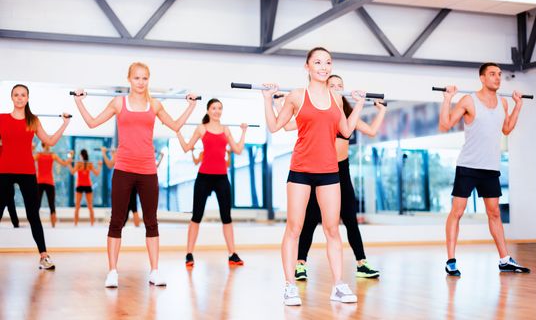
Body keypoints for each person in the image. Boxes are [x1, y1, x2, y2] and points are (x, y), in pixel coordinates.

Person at [73, 62, 197, 288]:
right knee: (116, 222)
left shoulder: (155, 104)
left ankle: (155, 271)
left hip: (148, 170)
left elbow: (176, 125)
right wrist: (79, 102)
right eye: (137, 78)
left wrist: (190, 106)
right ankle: (112, 271)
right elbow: (92, 123)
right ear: (129, 79)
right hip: (123, 169)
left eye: (145, 78)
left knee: (152, 222)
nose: (141, 82)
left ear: (149, 80)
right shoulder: (119, 103)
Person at [262, 47, 365, 306]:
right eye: (317, 62)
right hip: (301, 171)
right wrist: (267, 99)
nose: (323, 66)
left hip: (329, 171)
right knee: (294, 228)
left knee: (332, 229)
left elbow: (345, 130)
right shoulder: (297, 95)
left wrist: (360, 104)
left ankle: (339, 285)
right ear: (307, 67)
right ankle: (289, 286)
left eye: (328, 62)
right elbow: (276, 126)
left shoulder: (335, 98)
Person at [277, 74, 386, 280]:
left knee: (350, 220)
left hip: (340, 172)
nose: (336, 88)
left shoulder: (345, 111)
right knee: (309, 220)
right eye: (332, 85)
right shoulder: (319, 110)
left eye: (340, 86)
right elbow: (289, 124)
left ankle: (361, 263)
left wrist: (382, 110)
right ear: (325, 86)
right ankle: (300, 264)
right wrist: (279, 103)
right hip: (316, 169)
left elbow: (371, 130)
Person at [438, 62, 530, 276]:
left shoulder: (503, 103)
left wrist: (518, 106)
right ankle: (451, 260)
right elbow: (446, 124)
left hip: (490, 167)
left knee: (494, 213)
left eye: (499, 74)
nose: (497, 77)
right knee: (458, 212)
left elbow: (506, 129)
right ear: (482, 78)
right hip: (468, 165)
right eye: (492, 74)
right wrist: (447, 99)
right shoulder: (469, 100)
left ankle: (505, 260)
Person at [0, 84, 70, 269]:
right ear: (12, 97)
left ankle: (44, 256)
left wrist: (64, 124)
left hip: (27, 172)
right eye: (16, 95)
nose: (20, 98)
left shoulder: (33, 121)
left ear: (28, 98)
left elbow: (50, 141)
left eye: (23, 95)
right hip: (4, 171)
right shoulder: (2, 119)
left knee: (33, 215)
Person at [176, 98, 247, 268]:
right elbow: (187, 147)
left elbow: (237, 149)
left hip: (221, 178)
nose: (217, 111)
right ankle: (189, 254)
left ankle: (232, 254)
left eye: (219, 108)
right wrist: (178, 131)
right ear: (208, 110)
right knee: (196, 216)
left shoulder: (226, 129)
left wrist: (243, 132)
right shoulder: (201, 128)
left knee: (226, 218)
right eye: (214, 108)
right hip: (204, 177)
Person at [34, 143, 73, 227]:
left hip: (49, 182)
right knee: (37, 204)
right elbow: (29, 159)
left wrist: (70, 155)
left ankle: (53, 226)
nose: (49, 145)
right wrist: (31, 149)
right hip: (40, 182)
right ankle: (35, 224)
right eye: (47, 144)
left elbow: (64, 163)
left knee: (52, 204)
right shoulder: (38, 155)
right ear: (43, 145)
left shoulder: (52, 155)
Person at [67, 149, 101, 226]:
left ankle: (91, 224)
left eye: (80, 155)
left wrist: (99, 165)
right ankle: (76, 224)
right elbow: (97, 173)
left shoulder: (87, 164)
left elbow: (96, 173)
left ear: (81, 155)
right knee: (78, 206)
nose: (79, 156)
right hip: (81, 185)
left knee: (89, 206)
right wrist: (69, 163)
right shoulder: (81, 163)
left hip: (87, 185)